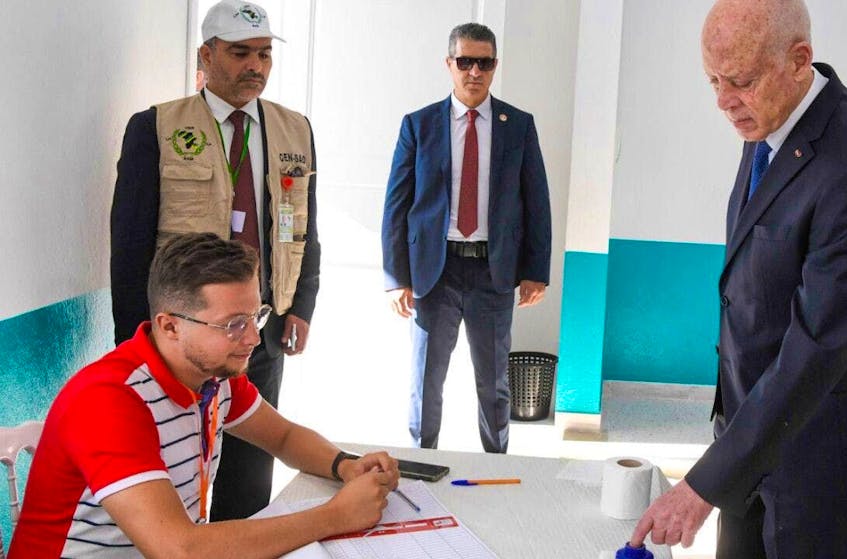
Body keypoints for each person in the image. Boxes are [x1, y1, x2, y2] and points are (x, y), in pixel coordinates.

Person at [630, 1, 847, 557]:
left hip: (818, 454)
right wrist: (730, 450)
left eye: (739, 81)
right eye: (713, 80)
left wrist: (704, 484)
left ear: (799, 60)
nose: (723, 100)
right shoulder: (768, 120)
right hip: (750, 434)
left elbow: (819, 344)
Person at [9, 233, 398, 558]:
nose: (253, 338)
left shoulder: (214, 375)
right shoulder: (108, 400)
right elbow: (179, 549)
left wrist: (345, 465)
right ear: (170, 327)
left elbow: (283, 437)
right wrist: (335, 516)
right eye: (233, 324)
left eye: (255, 316)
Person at [110, 0, 320, 520]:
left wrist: (301, 306)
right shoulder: (156, 127)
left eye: (264, 54)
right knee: (176, 472)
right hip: (181, 338)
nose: (256, 66)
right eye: (240, 53)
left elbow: (305, 227)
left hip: (258, 332)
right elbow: (130, 243)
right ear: (206, 55)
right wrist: (131, 338)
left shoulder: (295, 129)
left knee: (250, 473)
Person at [381, 22, 552, 454]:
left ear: (495, 66)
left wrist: (536, 271)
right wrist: (396, 277)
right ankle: (422, 459)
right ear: (449, 64)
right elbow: (396, 206)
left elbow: (537, 202)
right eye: (465, 62)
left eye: (484, 63)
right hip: (434, 273)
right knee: (426, 378)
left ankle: (496, 460)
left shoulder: (518, 126)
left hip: (493, 272)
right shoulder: (419, 125)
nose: (474, 72)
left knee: (494, 381)